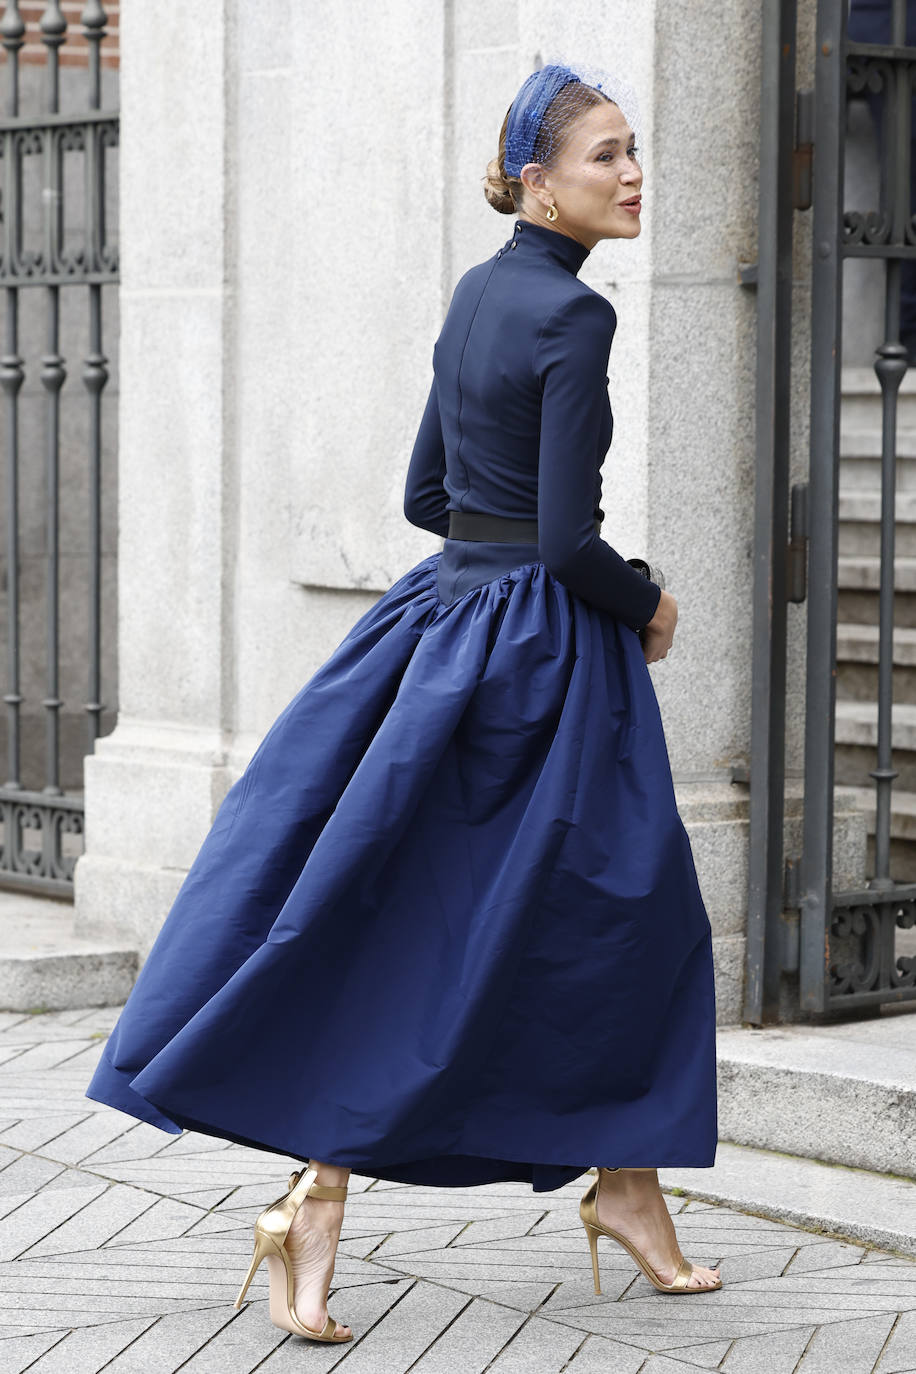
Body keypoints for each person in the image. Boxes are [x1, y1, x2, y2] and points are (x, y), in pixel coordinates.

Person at [83, 60, 722, 1345]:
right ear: (537, 182)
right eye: (605, 156)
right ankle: (589, 1192)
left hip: (440, 634)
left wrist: (496, 568)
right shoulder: (576, 322)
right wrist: (645, 600)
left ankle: (550, 1195)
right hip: (547, 658)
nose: (634, 173)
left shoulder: (479, 294)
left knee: (397, 922)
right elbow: (561, 545)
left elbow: (427, 499)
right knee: (633, 917)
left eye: (634, 149)